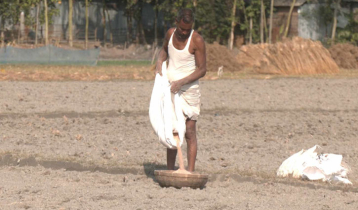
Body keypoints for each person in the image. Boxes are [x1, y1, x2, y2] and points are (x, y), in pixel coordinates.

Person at [155, 8, 206, 172]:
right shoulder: (170, 34)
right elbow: (164, 50)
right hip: (170, 90)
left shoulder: (196, 40)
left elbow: (202, 69)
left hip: (189, 91)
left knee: (190, 132)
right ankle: (170, 170)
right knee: (173, 130)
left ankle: (189, 171)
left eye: (187, 29)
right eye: (182, 29)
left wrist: (182, 82)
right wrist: (159, 62)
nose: (184, 32)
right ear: (176, 23)